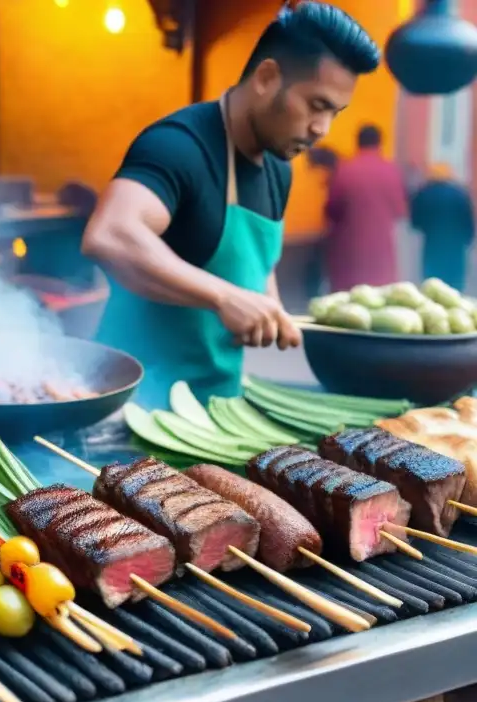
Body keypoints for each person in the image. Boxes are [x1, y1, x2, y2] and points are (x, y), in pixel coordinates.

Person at [82, 2, 380, 408]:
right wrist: (225, 298)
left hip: (217, 407)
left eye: (334, 113)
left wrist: (268, 307)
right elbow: (110, 235)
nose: (322, 130)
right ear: (267, 77)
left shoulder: (280, 167)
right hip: (129, 407)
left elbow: (259, 264)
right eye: (316, 105)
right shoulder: (179, 146)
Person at [323, 124, 408, 292]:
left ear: (357, 142)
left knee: (348, 298)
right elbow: (400, 211)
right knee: (379, 298)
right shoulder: (391, 170)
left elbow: (332, 210)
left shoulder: (345, 169)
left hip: (349, 248)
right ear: (379, 143)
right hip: (381, 249)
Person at [411, 164, 475, 292]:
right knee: (454, 280)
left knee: (432, 280)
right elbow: (468, 220)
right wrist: (469, 237)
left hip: (433, 243)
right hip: (456, 245)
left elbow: (415, 221)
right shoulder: (460, 194)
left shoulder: (424, 193)